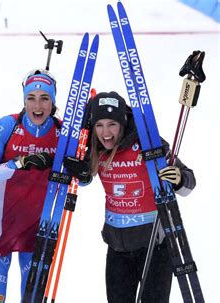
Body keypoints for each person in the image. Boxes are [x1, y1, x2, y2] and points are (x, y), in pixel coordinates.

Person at [72, 91, 196, 302]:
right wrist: (80, 174)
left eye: (112, 124)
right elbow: (84, 176)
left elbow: (189, 183)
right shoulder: (94, 147)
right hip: (117, 248)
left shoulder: (147, 142)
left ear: (123, 121)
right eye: (100, 125)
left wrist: (178, 179)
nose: (106, 132)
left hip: (155, 248)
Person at [0, 70, 64, 302]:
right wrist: (19, 163)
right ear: (24, 99)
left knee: (32, 298)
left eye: (45, 98)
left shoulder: (62, 132)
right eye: (31, 98)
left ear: (53, 101)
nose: (38, 105)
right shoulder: (7, 125)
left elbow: (82, 181)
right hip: (0, 227)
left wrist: (82, 168)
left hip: (38, 228)